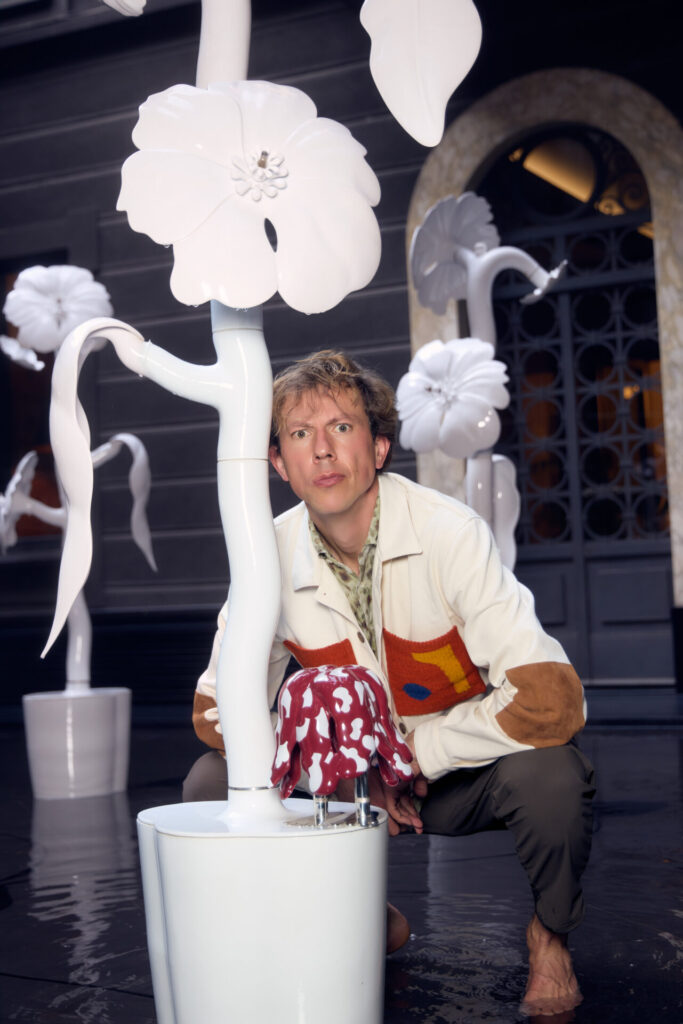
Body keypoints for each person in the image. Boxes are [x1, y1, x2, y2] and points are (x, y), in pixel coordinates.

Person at [185, 349, 595, 1018]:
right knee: (208, 783)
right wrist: (348, 760)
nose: (321, 450)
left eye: (340, 428)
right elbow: (214, 712)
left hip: (456, 775)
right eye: (298, 434)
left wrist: (407, 757)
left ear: (377, 447)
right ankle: (363, 914)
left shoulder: (448, 532)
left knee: (553, 775)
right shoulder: (265, 556)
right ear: (278, 465)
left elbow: (552, 695)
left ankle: (549, 937)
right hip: (347, 786)